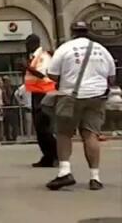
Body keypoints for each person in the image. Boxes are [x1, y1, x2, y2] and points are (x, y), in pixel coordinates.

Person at [45, 22, 116, 191]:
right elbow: (111, 76)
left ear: (72, 32)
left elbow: (52, 74)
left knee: (64, 133)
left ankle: (64, 172)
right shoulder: (101, 49)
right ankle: (95, 177)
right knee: (91, 135)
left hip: (71, 96)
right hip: (97, 97)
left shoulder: (65, 48)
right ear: (87, 32)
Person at [24, 33, 58, 167]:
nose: (26, 46)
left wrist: (27, 68)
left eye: (28, 43)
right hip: (36, 93)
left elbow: (42, 74)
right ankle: (47, 156)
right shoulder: (33, 57)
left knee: (44, 127)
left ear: (35, 43)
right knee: (39, 128)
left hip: (44, 93)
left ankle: (55, 156)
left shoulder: (43, 56)